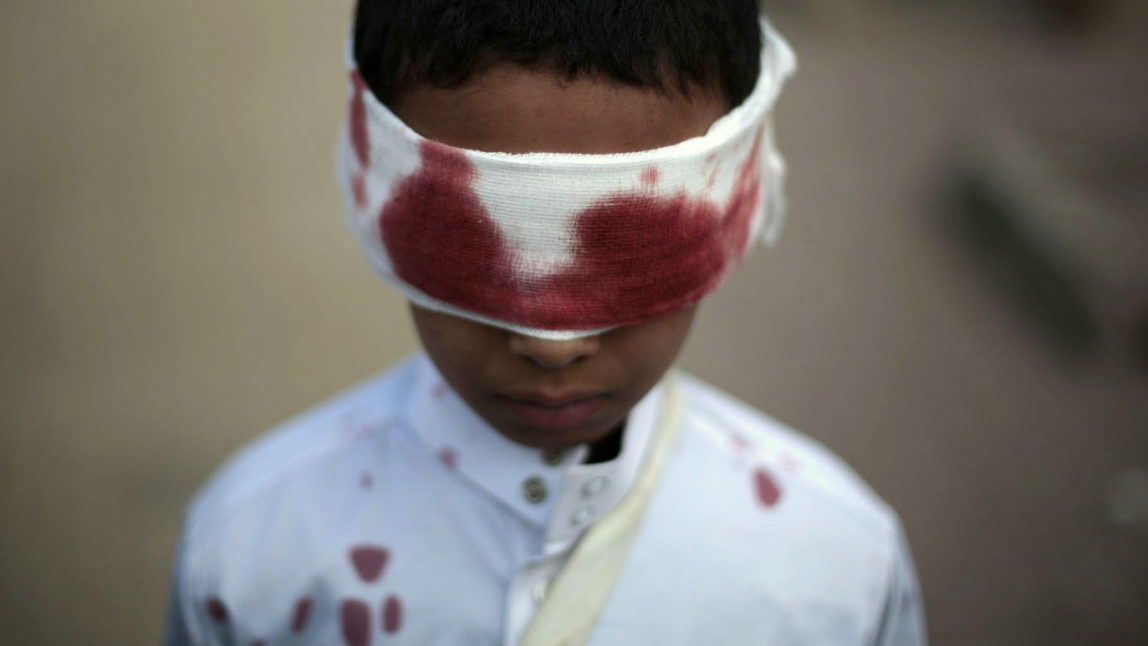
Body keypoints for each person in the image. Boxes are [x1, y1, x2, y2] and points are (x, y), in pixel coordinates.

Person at [164, 1, 927, 644]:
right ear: (371, 189)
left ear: (742, 198)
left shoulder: (838, 572)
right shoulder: (249, 560)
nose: (553, 346)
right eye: (468, 251)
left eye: (634, 255)